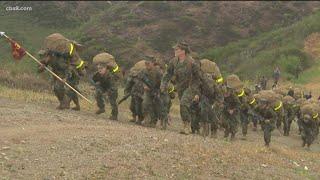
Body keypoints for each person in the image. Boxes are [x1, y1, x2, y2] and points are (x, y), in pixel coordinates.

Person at [160, 41, 205, 134]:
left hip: (191, 87)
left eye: (177, 49)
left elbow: (199, 78)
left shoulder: (191, 62)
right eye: (175, 49)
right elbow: (168, 74)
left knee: (184, 103)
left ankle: (186, 126)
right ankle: (193, 125)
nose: (175, 51)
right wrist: (163, 84)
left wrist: (196, 92)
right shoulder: (174, 61)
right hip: (180, 87)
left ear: (183, 51)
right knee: (187, 107)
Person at [139, 56, 163, 128]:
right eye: (146, 63)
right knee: (145, 103)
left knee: (156, 106)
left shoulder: (158, 72)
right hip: (148, 91)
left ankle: (155, 121)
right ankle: (146, 118)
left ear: (153, 63)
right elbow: (139, 79)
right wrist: (144, 86)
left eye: (148, 63)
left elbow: (162, 82)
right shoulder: (143, 71)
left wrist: (159, 91)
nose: (147, 65)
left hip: (156, 91)